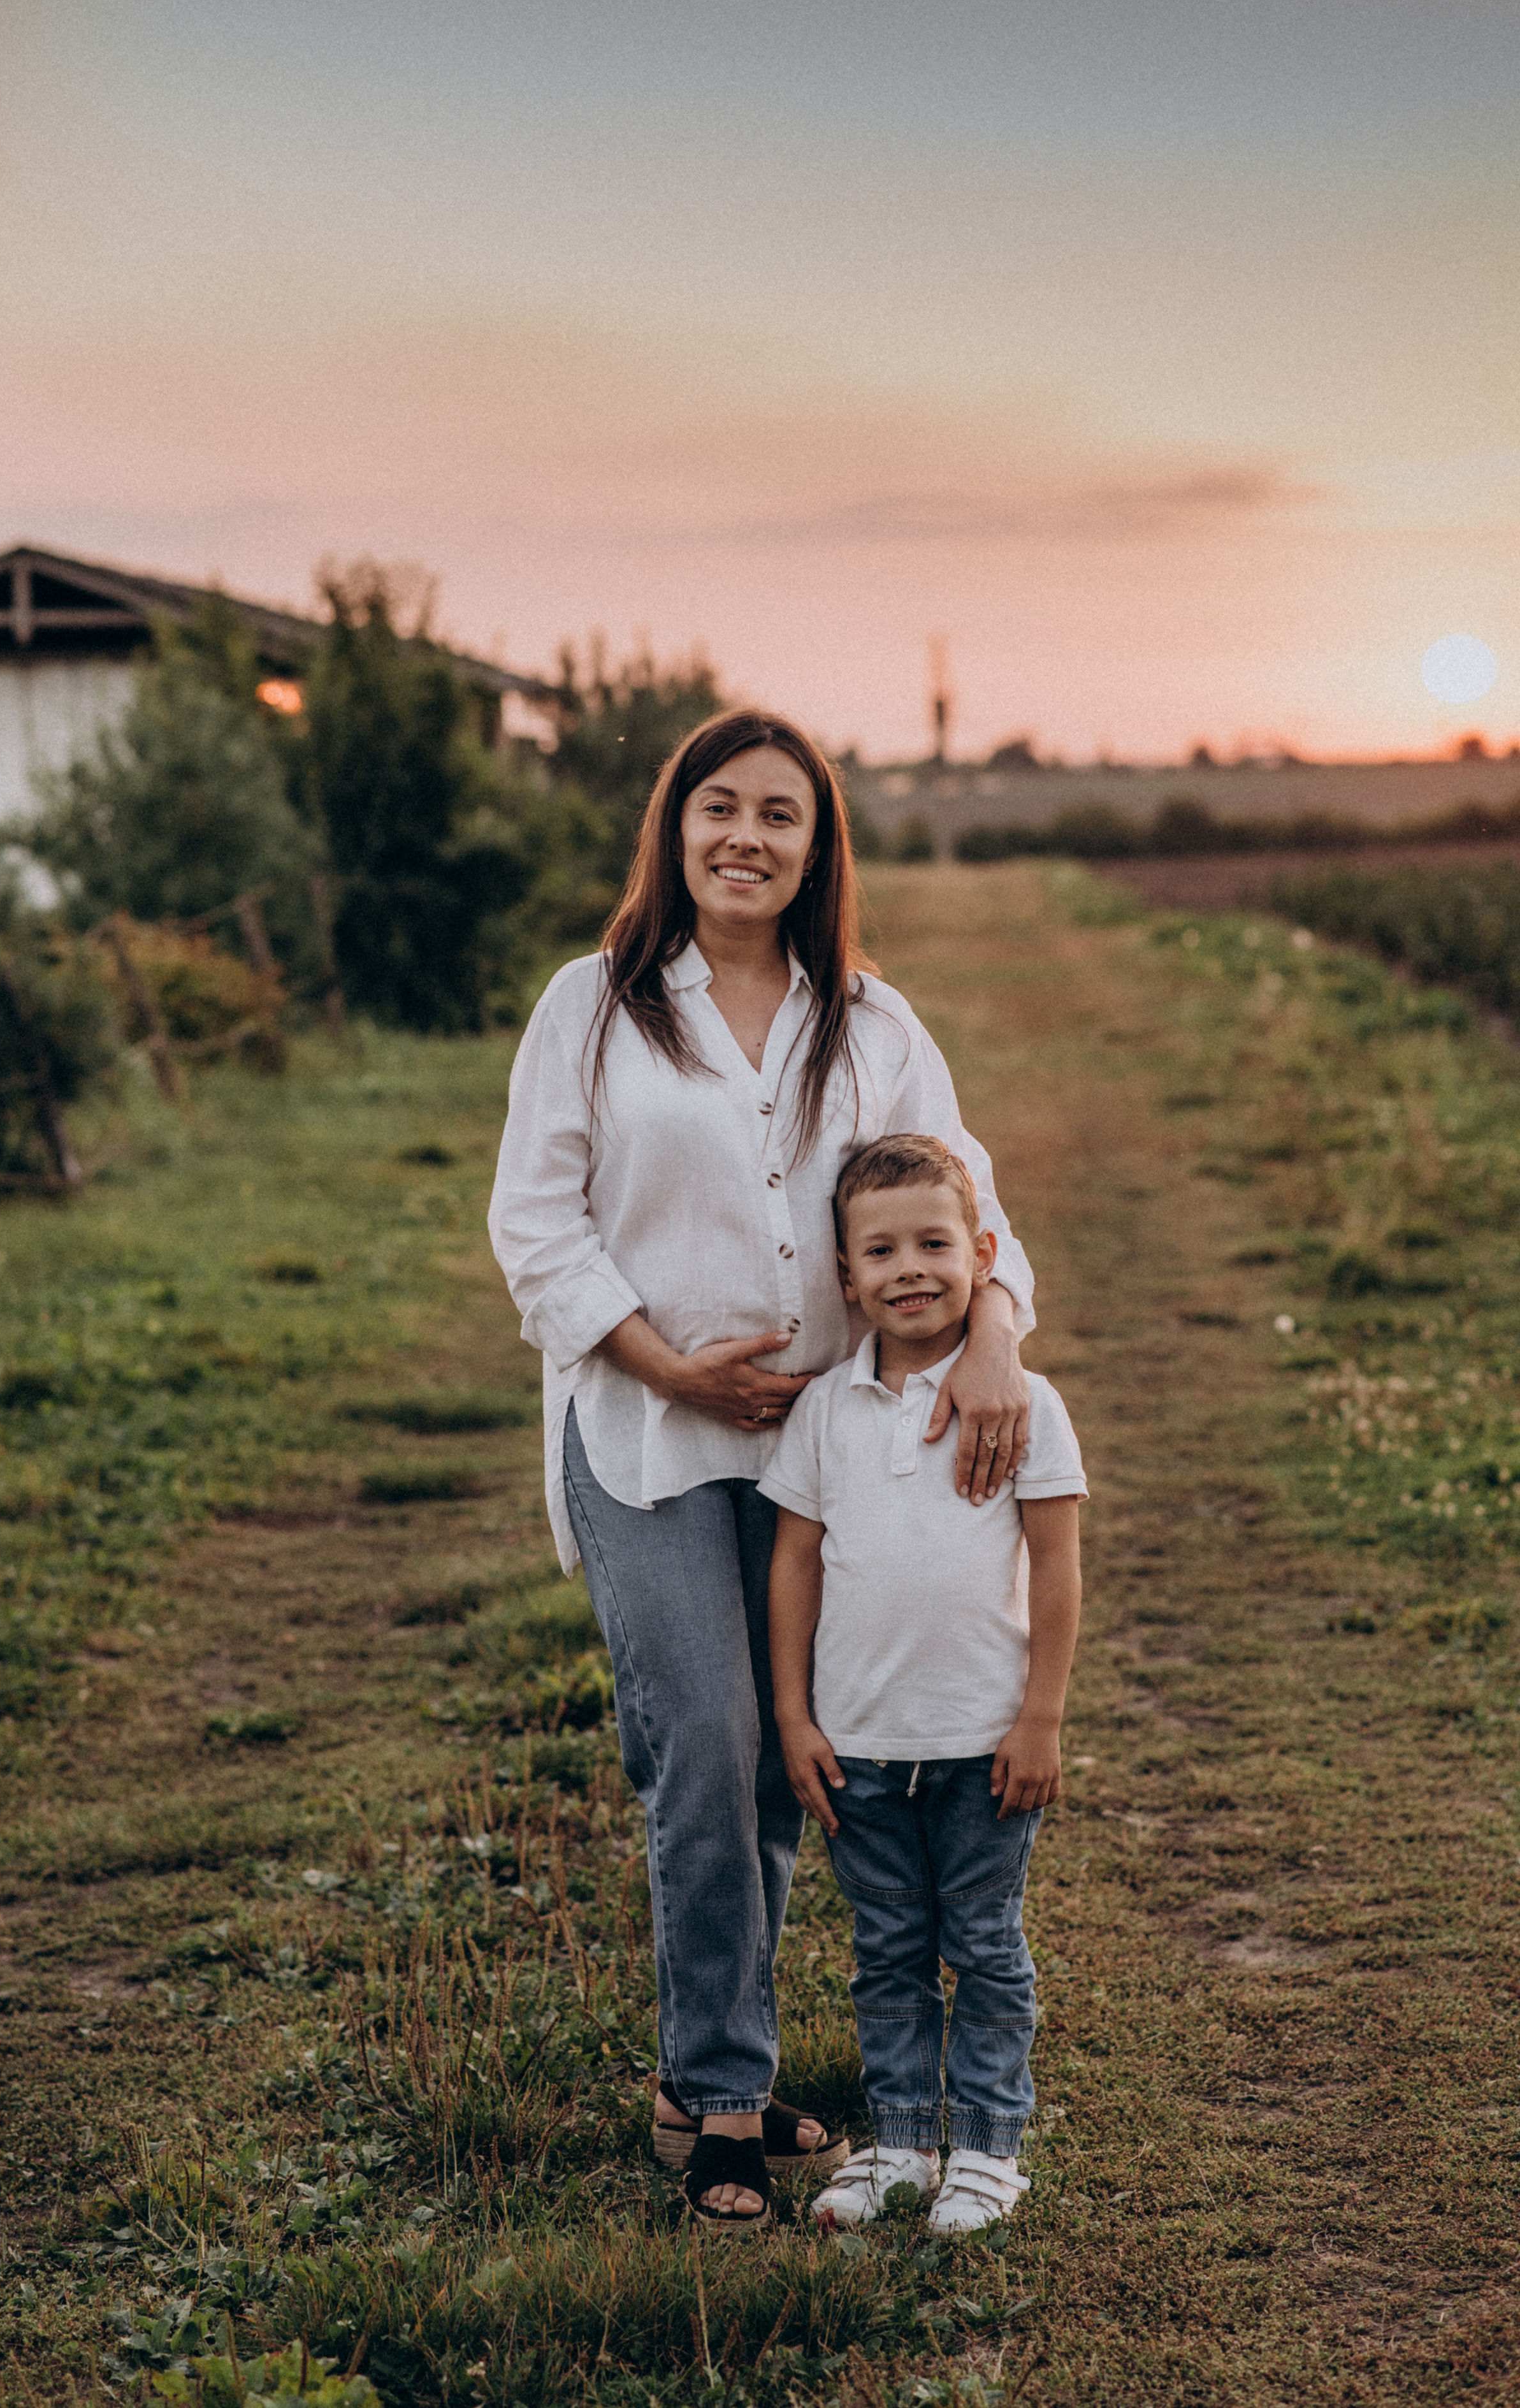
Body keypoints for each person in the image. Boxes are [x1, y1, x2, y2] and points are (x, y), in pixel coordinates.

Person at [488, 710, 1038, 2232]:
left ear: (815, 847)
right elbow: (534, 1228)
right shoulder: (588, 1009)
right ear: (673, 828)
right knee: (709, 1741)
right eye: (716, 807)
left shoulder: (870, 1024)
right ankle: (717, 2095)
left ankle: (708, 2069)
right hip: (648, 1439)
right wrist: (666, 1363)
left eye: (777, 815)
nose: (744, 836)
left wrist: (991, 1327)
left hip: (817, 1465)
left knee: (790, 1757)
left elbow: (965, 1201)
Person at [762, 1133, 1085, 2233]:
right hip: (857, 1746)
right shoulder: (823, 1413)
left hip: (983, 1741)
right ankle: (902, 2144)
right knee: (888, 1951)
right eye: (881, 1250)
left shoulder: (1023, 1402)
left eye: (935, 1243)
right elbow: (794, 1563)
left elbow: (1057, 1565)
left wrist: (1041, 1717)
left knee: (984, 1948)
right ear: (845, 1277)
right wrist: (795, 1716)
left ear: (984, 1252)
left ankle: (989, 2152)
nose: (910, 1268)